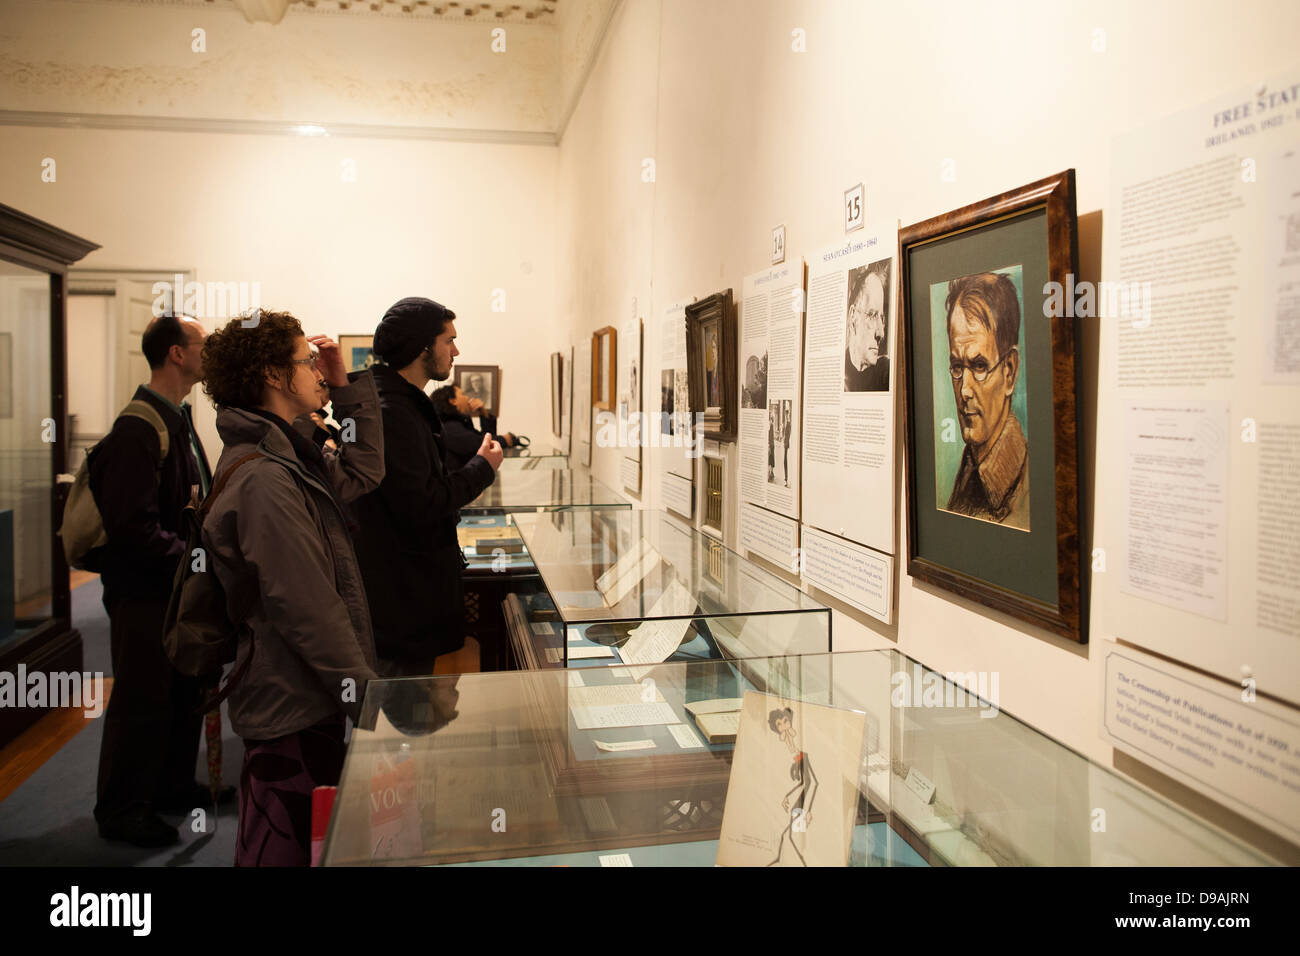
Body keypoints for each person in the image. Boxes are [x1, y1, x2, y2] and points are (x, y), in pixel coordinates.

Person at [199, 310, 384, 867]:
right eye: (306, 361)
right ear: (275, 376)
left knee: (306, 840)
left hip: (307, 693)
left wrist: (345, 386)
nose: (317, 372)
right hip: (290, 699)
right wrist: (366, 697)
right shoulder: (265, 476)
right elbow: (306, 606)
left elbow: (365, 470)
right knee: (283, 845)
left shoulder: (290, 452)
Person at [91, 312, 230, 848]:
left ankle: (171, 786)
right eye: (201, 344)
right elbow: (132, 528)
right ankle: (122, 809)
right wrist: (198, 563)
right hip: (144, 591)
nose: (207, 353)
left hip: (173, 586)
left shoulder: (176, 416)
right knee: (141, 698)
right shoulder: (138, 427)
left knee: (179, 688)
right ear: (176, 352)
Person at [353, 297, 503, 677]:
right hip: (403, 596)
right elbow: (425, 501)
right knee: (403, 706)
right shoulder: (394, 413)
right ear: (423, 347)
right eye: (448, 340)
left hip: (407, 591)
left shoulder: (402, 405)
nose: (456, 350)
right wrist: (483, 467)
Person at [943, 271, 1030, 530]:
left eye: (979, 366)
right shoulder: (967, 475)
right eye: (957, 367)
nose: (965, 390)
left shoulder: (1028, 490)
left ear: (1009, 372)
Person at [431, 383, 517, 472]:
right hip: (459, 482)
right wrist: (505, 439)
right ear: (453, 401)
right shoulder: (448, 426)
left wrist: (484, 414)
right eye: (462, 394)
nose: (467, 398)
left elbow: (485, 438)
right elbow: (478, 444)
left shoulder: (460, 422)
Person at [844, 260, 891, 392]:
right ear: (853, 317)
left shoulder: (886, 374)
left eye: (882, 319)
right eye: (871, 315)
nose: (881, 333)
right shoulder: (837, 374)